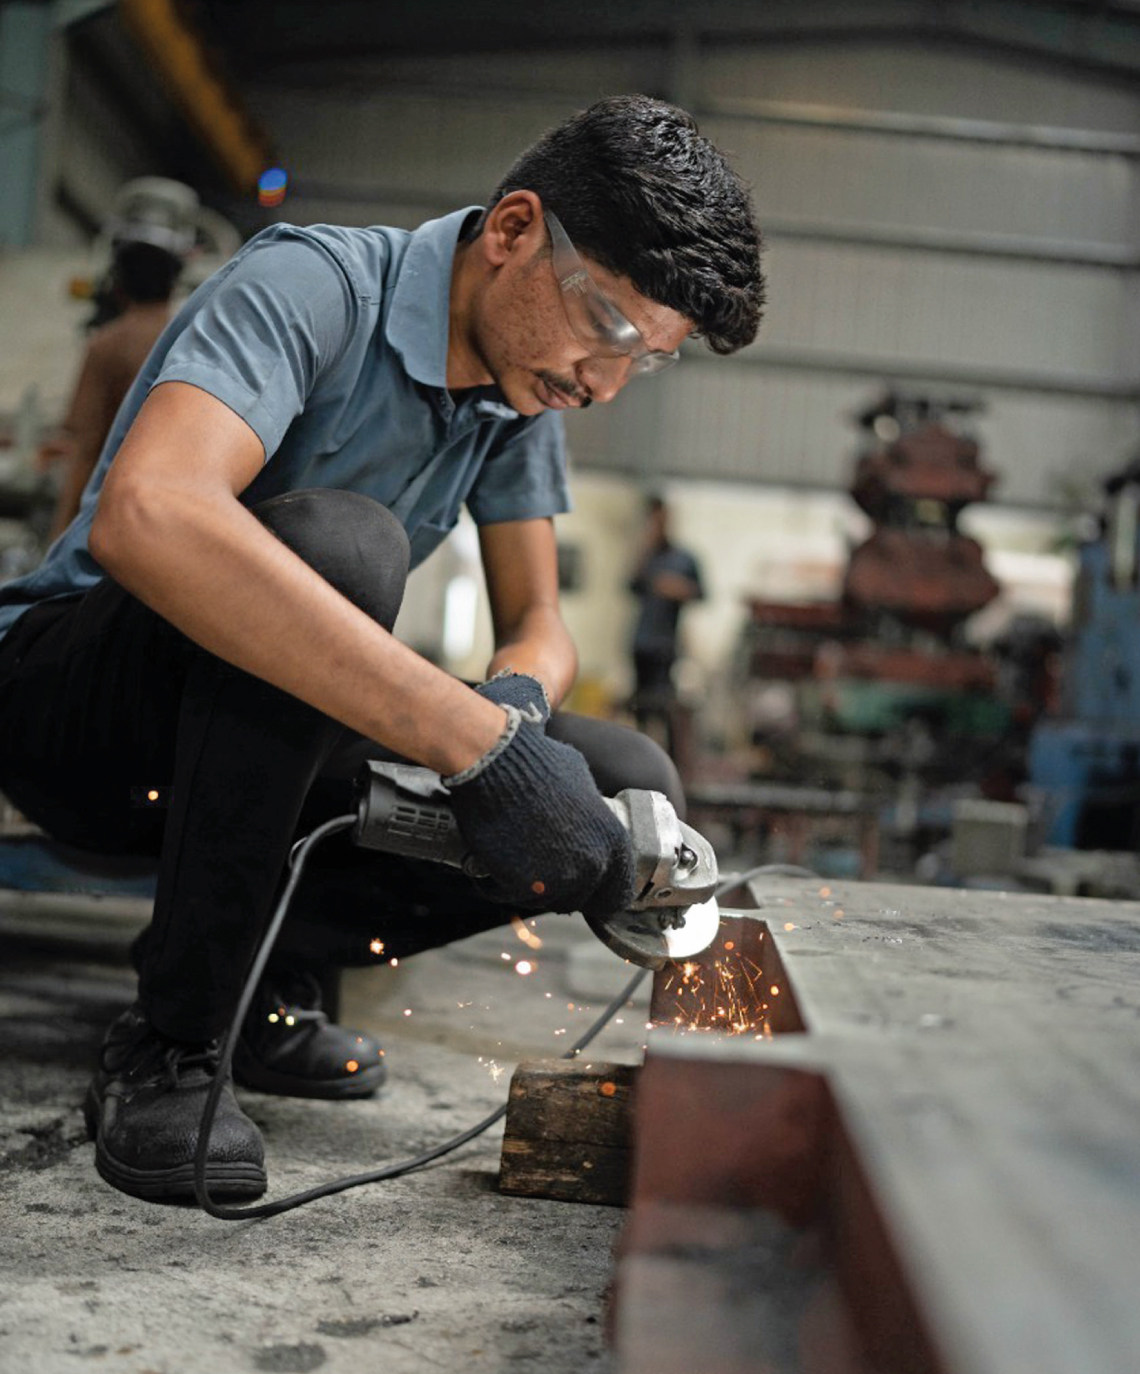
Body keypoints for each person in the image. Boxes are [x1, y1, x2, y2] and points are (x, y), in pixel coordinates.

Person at [0, 94, 765, 1204]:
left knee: (624, 784)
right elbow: (149, 514)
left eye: (645, 360)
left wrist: (517, 719)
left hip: (253, 755)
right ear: (511, 231)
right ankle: (170, 1044)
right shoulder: (314, 288)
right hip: (75, 714)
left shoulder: (521, 394)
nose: (602, 385)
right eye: (604, 327)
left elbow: (540, 625)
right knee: (341, 548)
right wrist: (476, 746)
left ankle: (264, 985)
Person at [39, 238, 186, 542]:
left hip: (114, 511)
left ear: (119, 287)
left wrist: (59, 539)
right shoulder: (192, 338)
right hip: (176, 512)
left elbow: (85, 445)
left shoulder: (108, 345)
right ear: (173, 286)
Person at [628, 496, 704, 754]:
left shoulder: (684, 558)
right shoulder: (646, 556)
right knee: (641, 705)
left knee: (665, 704)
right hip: (641, 641)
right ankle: (641, 755)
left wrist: (677, 589)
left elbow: (702, 593)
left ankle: (669, 759)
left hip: (665, 643)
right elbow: (630, 586)